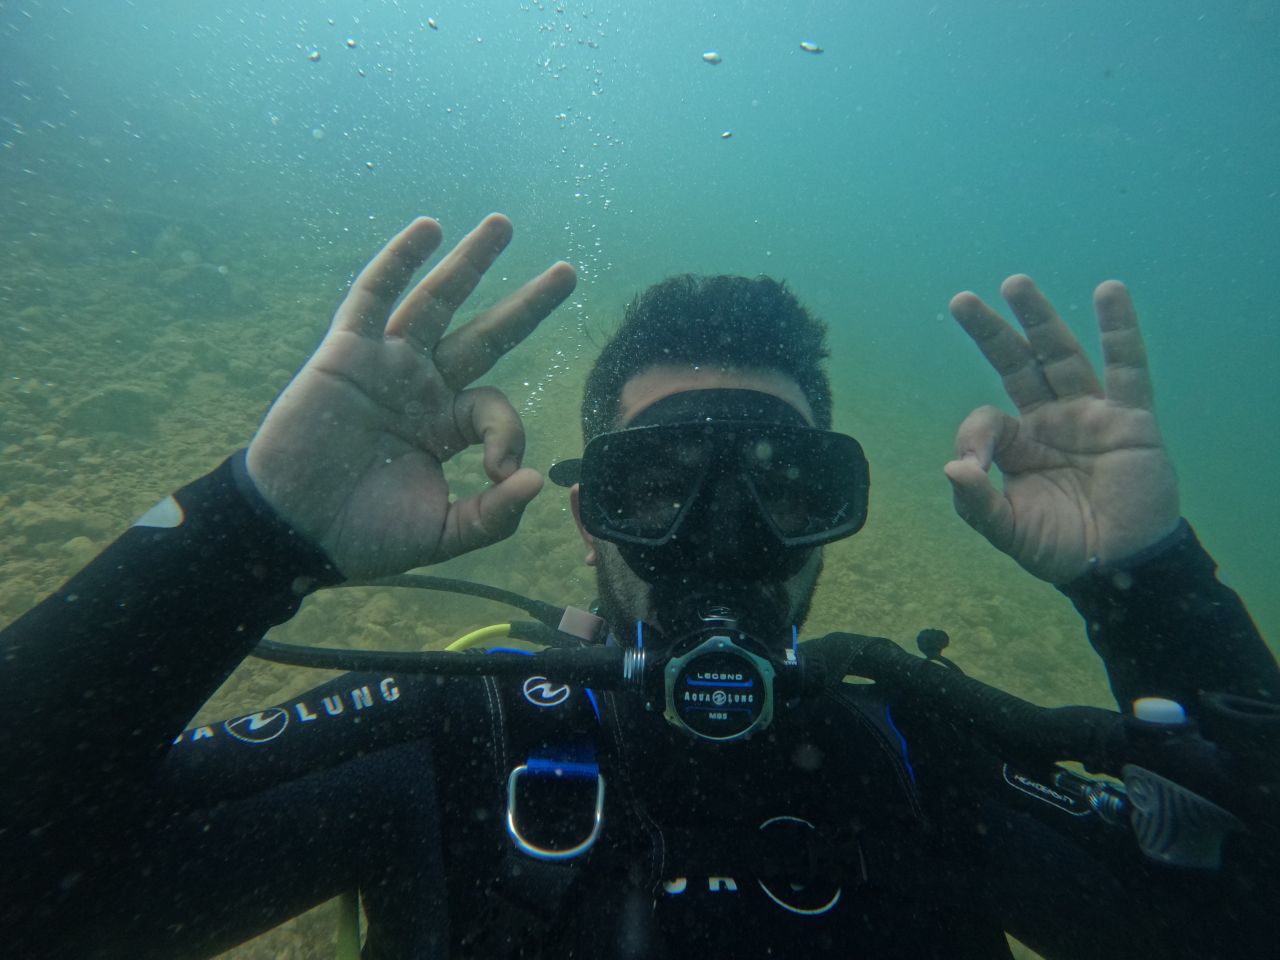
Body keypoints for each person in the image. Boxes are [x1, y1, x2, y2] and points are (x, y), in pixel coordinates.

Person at [1, 213, 1276, 960]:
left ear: (833, 519)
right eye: (655, 480)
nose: (721, 535)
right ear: (586, 511)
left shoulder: (915, 765)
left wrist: (1145, 581)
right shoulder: (457, 737)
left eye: (784, 480)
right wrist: (254, 529)